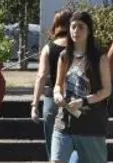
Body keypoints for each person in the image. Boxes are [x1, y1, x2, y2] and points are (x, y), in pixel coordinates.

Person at [51, 11, 112, 163]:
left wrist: (83, 101)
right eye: (73, 27)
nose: (76, 31)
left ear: (89, 31)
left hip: (91, 126)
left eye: (81, 27)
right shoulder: (64, 56)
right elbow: (58, 84)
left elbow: (106, 90)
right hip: (64, 122)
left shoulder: (99, 57)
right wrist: (57, 94)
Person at [31, 9, 73, 162]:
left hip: (52, 100)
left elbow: (41, 76)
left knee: (53, 148)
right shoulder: (80, 46)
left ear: (55, 25)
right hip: (74, 99)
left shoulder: (48, 48)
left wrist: (34, 105)